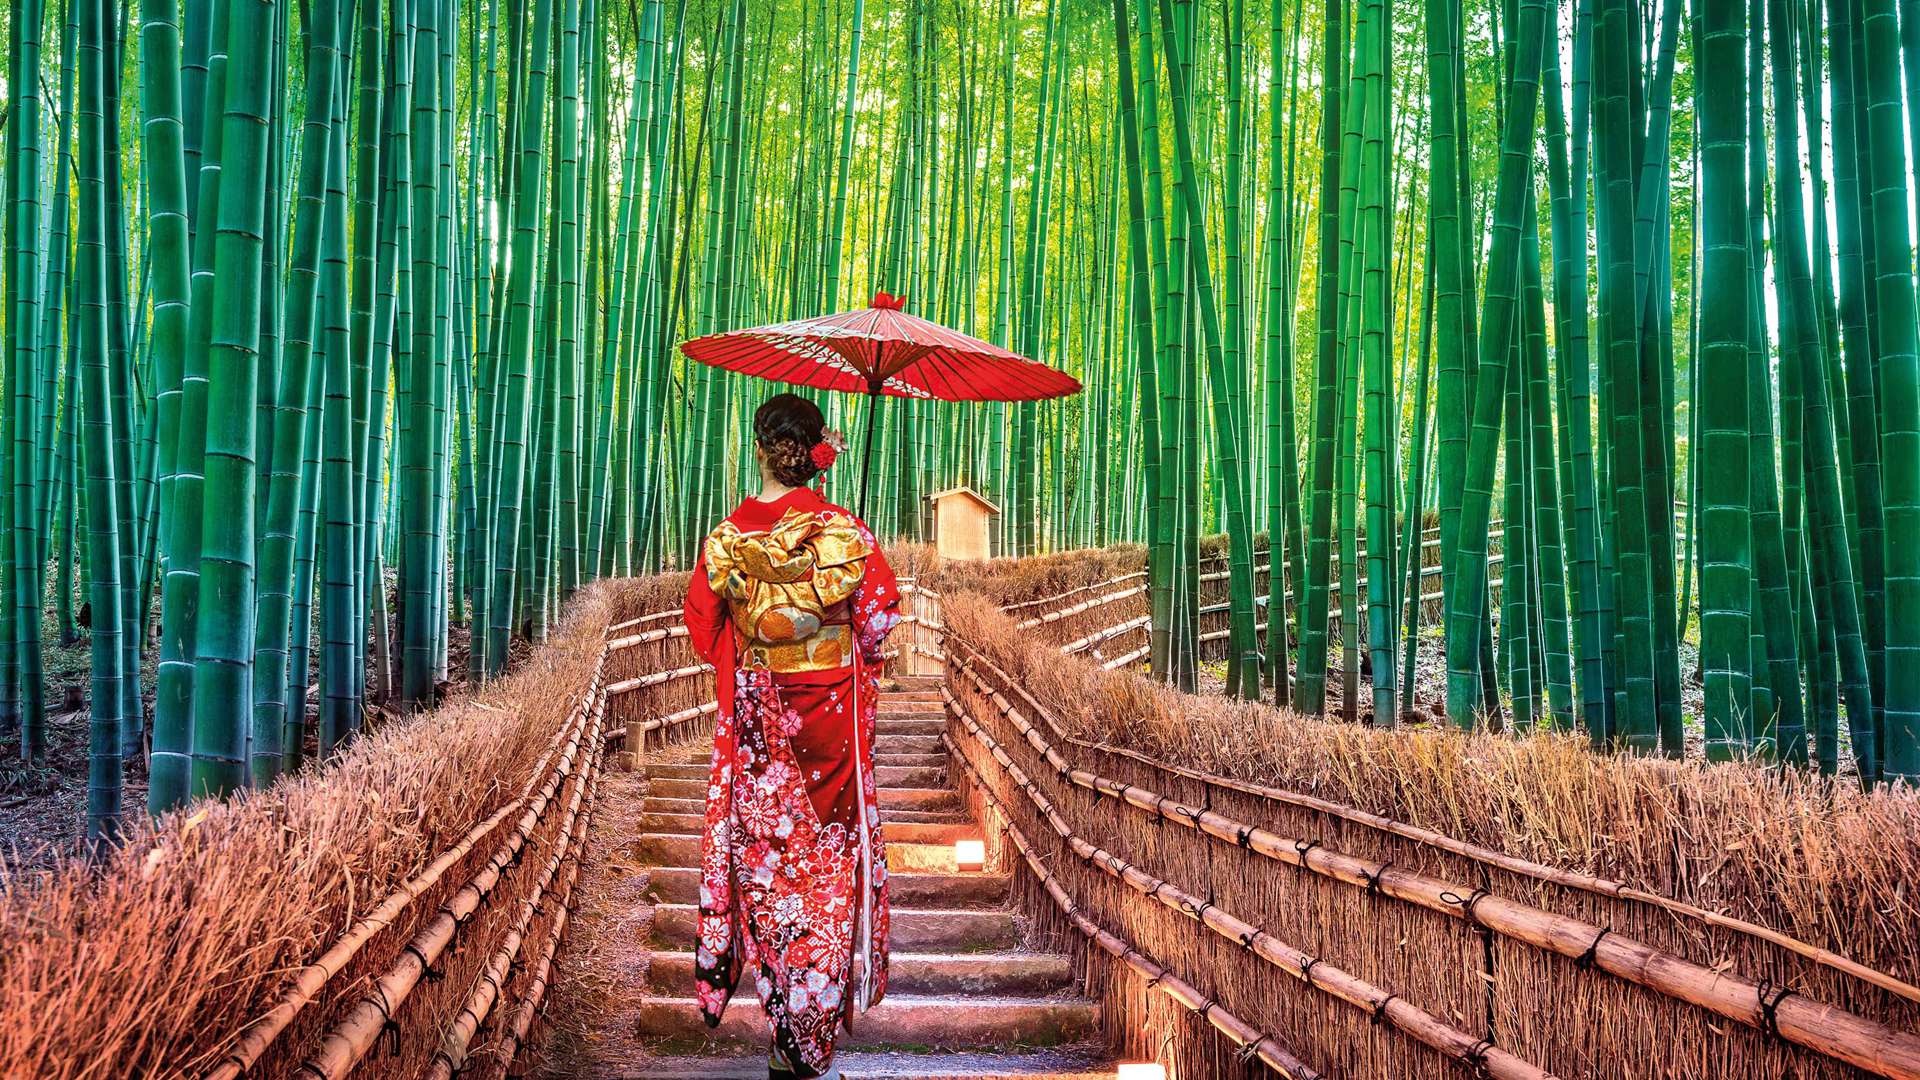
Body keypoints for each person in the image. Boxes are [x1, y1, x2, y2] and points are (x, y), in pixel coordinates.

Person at [682, 393, 902, 1080]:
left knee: (768, 866)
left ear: (758, 449)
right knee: (827, 868)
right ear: (817, 454)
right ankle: (811, 1033)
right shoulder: (847, 532)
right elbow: (876, 630)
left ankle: (784, 1020)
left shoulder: (727, 536)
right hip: (829, 720)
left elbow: (701, 629)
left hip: (756, 724)